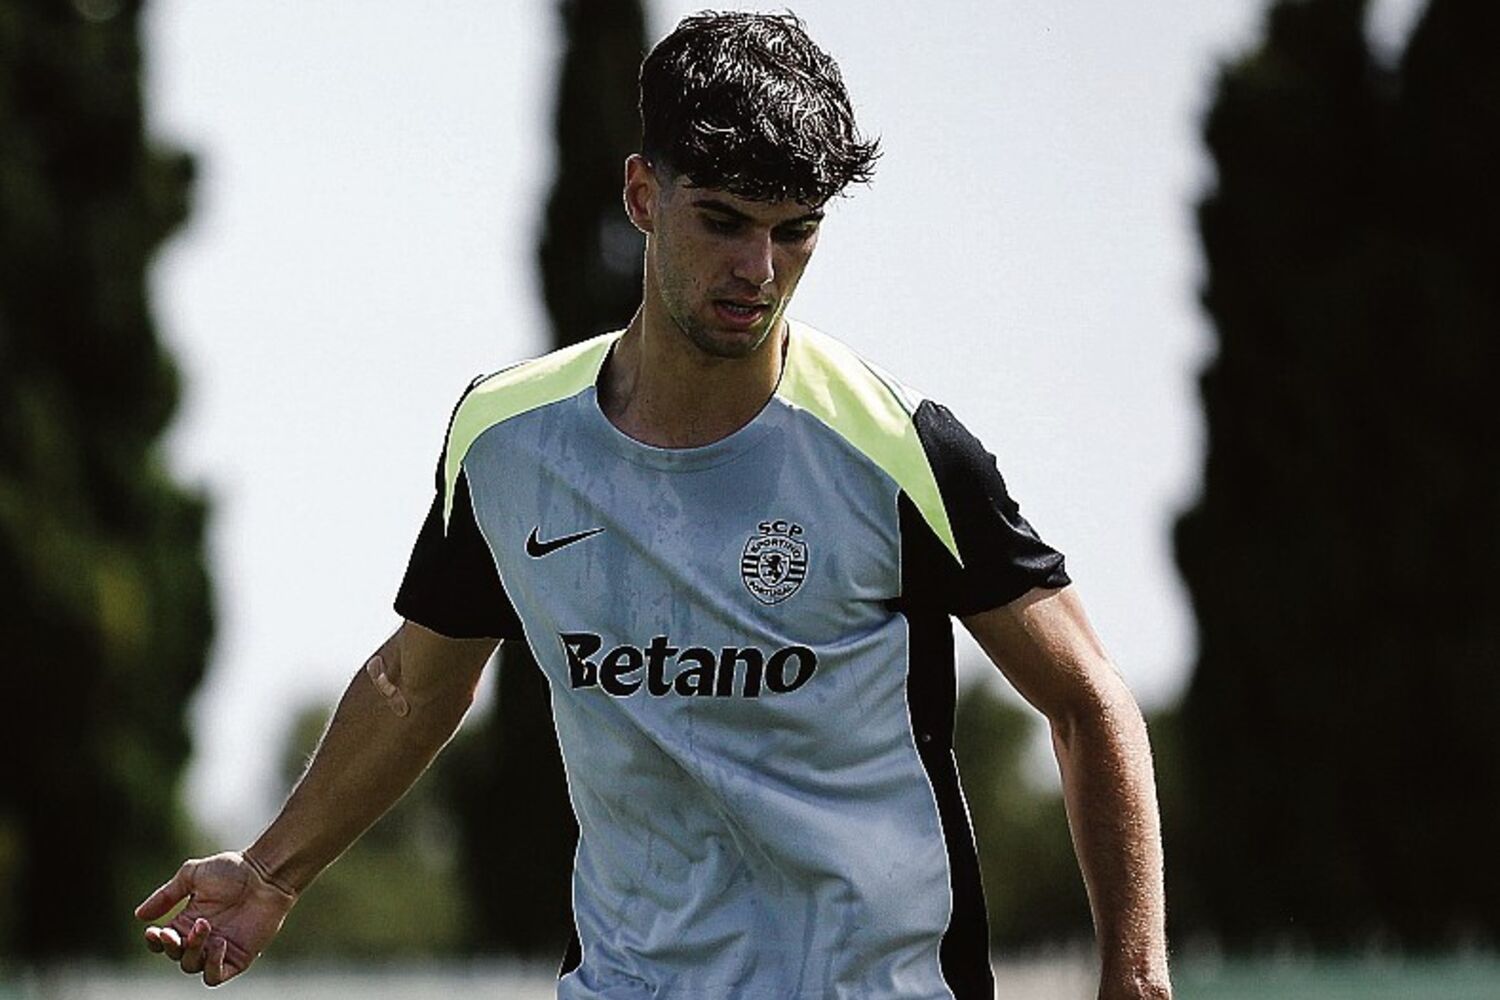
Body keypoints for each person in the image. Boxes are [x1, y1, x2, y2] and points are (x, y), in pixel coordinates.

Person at [136, 11, 1171, 999]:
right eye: (723, 221)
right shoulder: (506, 442)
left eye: (795, 231)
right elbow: (414, 684)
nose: (758, 271)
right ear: (642, 194)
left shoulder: (901, 451)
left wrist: (1135, 974)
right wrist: (270, 872)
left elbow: (1088, 699)